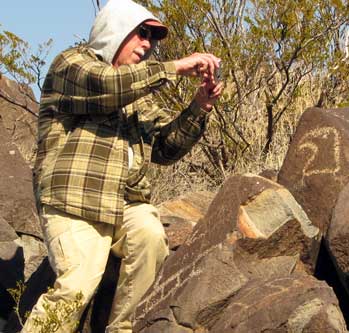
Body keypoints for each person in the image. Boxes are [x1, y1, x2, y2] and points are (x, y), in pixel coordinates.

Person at [22, 0, 222, 332]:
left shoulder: (140, 97)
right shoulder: (72, 65)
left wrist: (200, 107)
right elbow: (108, 86)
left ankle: (123, 329)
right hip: (74, 202)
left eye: (153, 39)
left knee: (149, 233)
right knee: (77, 284)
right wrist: (175, 68)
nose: (148, 45)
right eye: (142, 34)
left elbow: (164, 149)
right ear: (115, 29)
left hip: (124, 204)